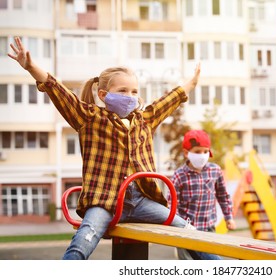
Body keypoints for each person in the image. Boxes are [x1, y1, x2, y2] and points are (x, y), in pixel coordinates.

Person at [8, 36, 218, 260]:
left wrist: (191, 83)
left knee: (188, 232)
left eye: (135, 91)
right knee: (84, 240)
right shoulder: (90, 118)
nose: (130, 97)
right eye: (123, 90)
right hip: (105, 199)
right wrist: (31, 67)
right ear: (103, 95)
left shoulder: (145, 120)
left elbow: (171, 99)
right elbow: (59, 92)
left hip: (141, 199)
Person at [171, 130, 236, 259]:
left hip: (208, 228)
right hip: (185, 231)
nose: (202, 155)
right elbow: (172, 202)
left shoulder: (215, 170)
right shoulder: (179, 175)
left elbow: (223, 196)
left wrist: (229, 217)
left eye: (205, 152)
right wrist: (175, 225)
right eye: (197, 152)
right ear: (186, 153)